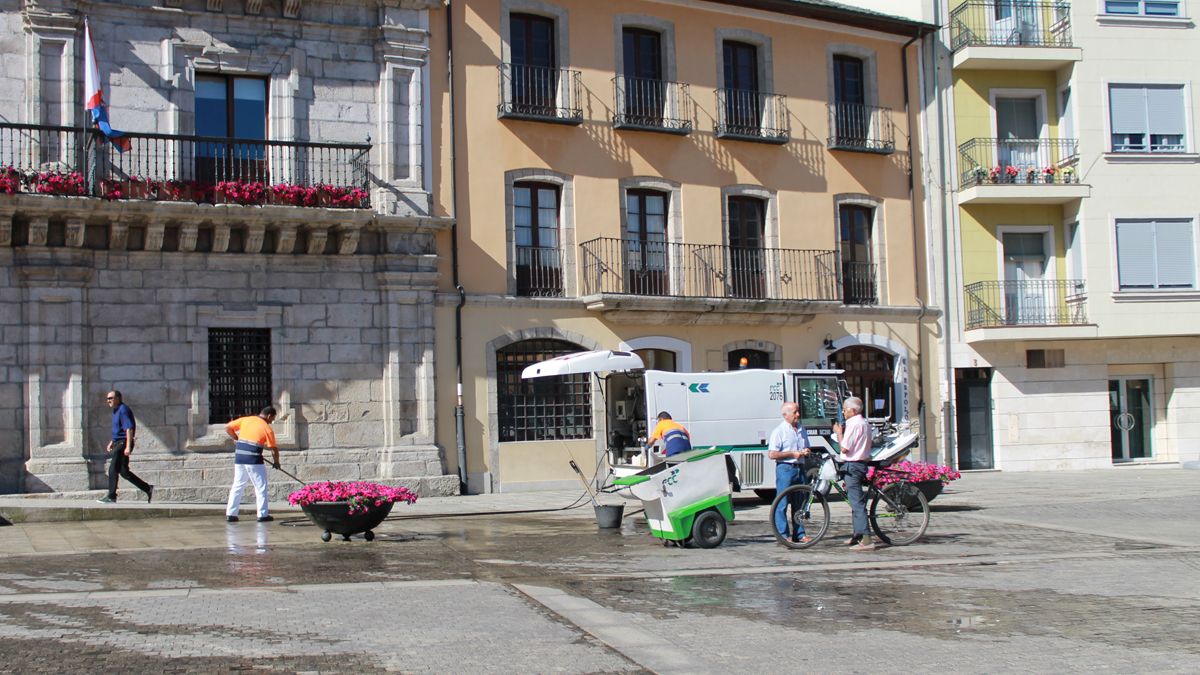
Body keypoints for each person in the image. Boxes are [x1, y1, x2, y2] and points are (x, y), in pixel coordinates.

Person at [833, 396, 875, 551]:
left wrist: (839, 433)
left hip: (853, 465)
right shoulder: (864, 423)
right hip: (860, 464)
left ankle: (866, 539)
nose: (843, 412)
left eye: (845, 409)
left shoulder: (854, 424)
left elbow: (844, 448)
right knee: (855, 500)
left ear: (853, 410)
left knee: (857, 502)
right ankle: (858, 534)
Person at [224, 406, 280, 523]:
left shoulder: (246, 419)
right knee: (260, 487)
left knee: (238, 485)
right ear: (269, 416)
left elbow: (228, 427)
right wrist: (276, 463)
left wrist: (236, 438)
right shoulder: (267, 428)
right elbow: (273, 449)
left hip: (239, 456)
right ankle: (262, 515)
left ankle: (231, 514)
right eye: (272, 419)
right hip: (254, 459)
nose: (271, 422)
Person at [98, 390, 154, 504]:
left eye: (110, 398)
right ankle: (147, 488)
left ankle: (111, 496)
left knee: (113, 469)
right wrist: (112, 442)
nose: (108, 400)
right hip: (118, 442)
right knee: (124, 472)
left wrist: (128, 446)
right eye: (107, 398)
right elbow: (119, 430)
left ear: (118, 398)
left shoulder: (123, 410)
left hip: (123, 443)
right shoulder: (116, 410)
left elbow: (129, 429)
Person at [767, 401, 811, 544]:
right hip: (786, 469)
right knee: (782, 503)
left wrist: (806, 451)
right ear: (785, 415)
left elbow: (807, 446)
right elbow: (772, 454)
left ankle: (800, 533)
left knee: (800, 502)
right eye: (795, 412)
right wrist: (792, 453)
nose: (798, 414)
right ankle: (783, 535)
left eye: (798, 411)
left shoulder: (801, 429)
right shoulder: (779, 431)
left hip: (800, 468)